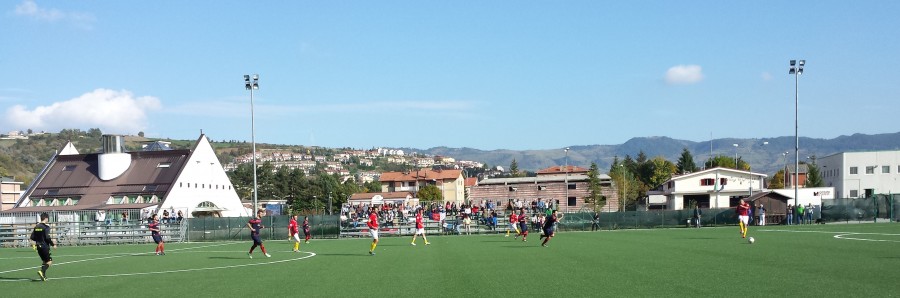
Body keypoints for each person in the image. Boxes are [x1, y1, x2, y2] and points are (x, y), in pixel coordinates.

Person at [31, 212, 56, 281]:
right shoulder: (46, 227)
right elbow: (47, 238)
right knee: (49, 262)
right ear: (46, 218)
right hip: (44, 246)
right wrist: (53, 244)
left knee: (44, 261)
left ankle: (43, 276)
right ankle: (42, 271)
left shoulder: (36, 227)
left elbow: (32, 237)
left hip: (38, 247)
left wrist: (38, 240)